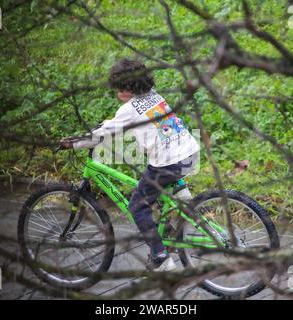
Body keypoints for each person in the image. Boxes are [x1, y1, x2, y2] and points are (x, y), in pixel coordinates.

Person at [61, 59, 200, 271]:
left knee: (138, 205)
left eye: (118, 89)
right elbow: (116, 123)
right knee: (154, 182)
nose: (117, 94)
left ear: (127, 88)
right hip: (189, 153)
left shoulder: (129, 108)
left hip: (168, 163)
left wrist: (72, 143)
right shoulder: (153, 94)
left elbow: (102, 135)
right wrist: (106, 124)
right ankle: (178, 203)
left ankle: (160, 256)